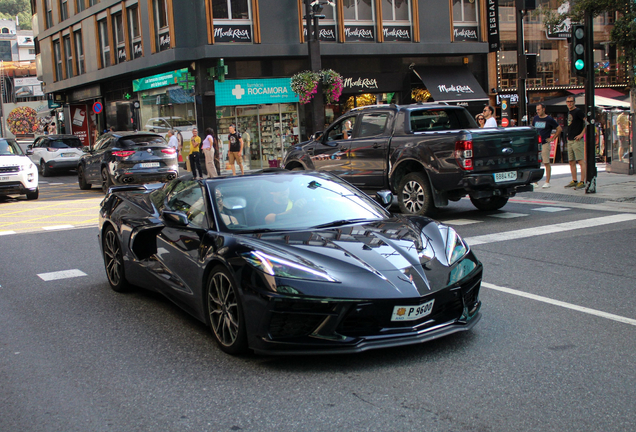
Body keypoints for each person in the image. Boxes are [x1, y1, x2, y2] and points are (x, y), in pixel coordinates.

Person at [532, 103, 562, 188]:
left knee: (546, 162)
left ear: (543, 109)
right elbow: (533, 128)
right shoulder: (535, 118)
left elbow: (559, 128)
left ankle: (547, 181)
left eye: (539, 109)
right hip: (537, 143)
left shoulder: (549, 119)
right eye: (537, 110)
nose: (537, 111)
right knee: (536, 163)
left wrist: (553, 138)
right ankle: (535, 181)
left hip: (545, 143)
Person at [564, 96, 587, 189]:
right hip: (570, 139)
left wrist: (581, 134)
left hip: (577, 140)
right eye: (568, 101)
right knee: (571, 161)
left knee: (580, 160)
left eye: (571, 101)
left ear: (574, 102)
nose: (569, 103)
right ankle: (574, 180)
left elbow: (587, 123)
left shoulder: (578, 112)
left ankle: (582, 181)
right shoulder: (569, 112)